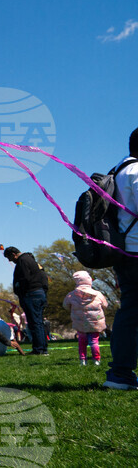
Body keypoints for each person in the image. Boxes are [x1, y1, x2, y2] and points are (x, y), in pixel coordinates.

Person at [107, 129, 138, 389]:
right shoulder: (136, 170)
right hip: (136, 251)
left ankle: (120, 373)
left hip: (126, 251)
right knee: (131, 313)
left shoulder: (119, 170)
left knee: (130, 312)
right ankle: (120, 372)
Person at [3, 247, 49, 355]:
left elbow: (25, 278)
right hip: (38, 293)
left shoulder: (22, 261)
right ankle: (42, 347)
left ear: (13, 254)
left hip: (31, 294)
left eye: (9, 257)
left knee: (34, 322)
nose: (10, 260)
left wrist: (19, 288)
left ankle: (39, 348)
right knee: (38, 322)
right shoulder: (30, 260)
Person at [63, 271, 109, 367]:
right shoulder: (97, 294)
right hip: (95, 323)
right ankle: (96, 360)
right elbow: (105, 305)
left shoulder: (71, 295)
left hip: (80, 322)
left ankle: (83, 360)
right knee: (94, 341)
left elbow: (65, 306)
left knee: (82, 341)